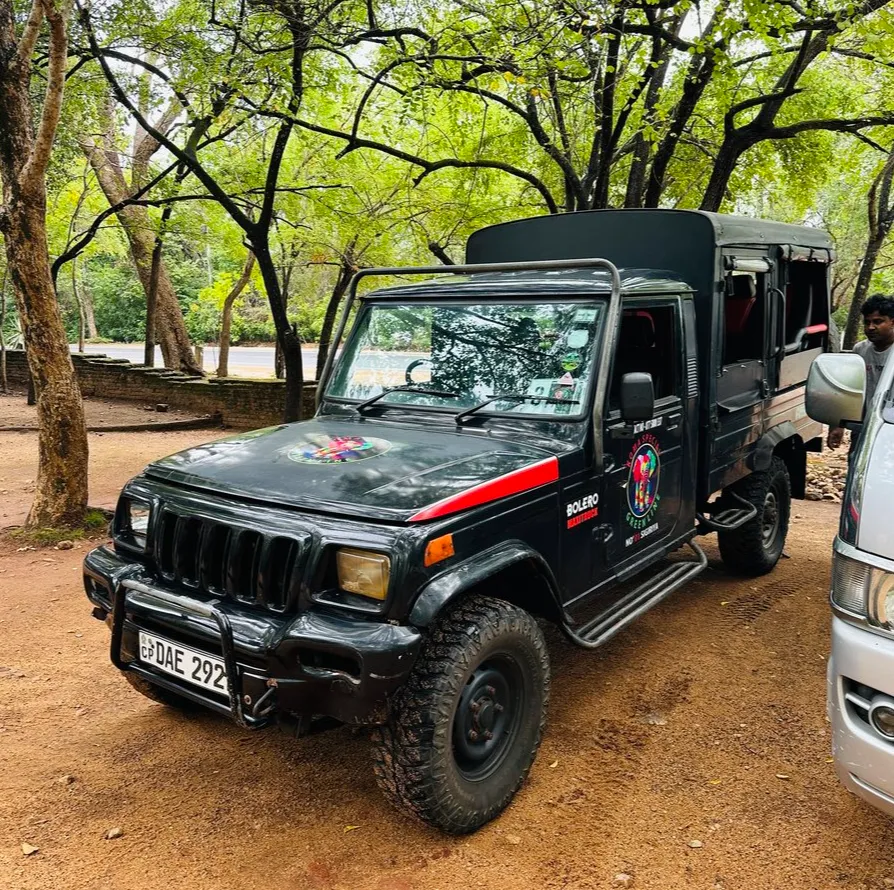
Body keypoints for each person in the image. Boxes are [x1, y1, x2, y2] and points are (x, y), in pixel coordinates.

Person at [828, 294, 894, 450]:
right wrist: (839, 425)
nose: (870, 327)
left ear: (892, 322)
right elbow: (850, 390)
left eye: (878, 321)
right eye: (867, 322)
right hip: (864, 428)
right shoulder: (860, 350)